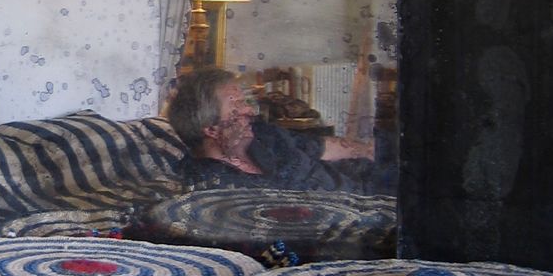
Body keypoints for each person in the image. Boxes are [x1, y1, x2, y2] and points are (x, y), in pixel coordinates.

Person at [167, 66, 392, 194]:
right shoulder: (216, 185)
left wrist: (369, 151)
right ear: (212, 129)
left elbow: (320, 146)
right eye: (237, 105)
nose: (251, 112)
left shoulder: (262, 134)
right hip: (363, 209)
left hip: (367, 177)